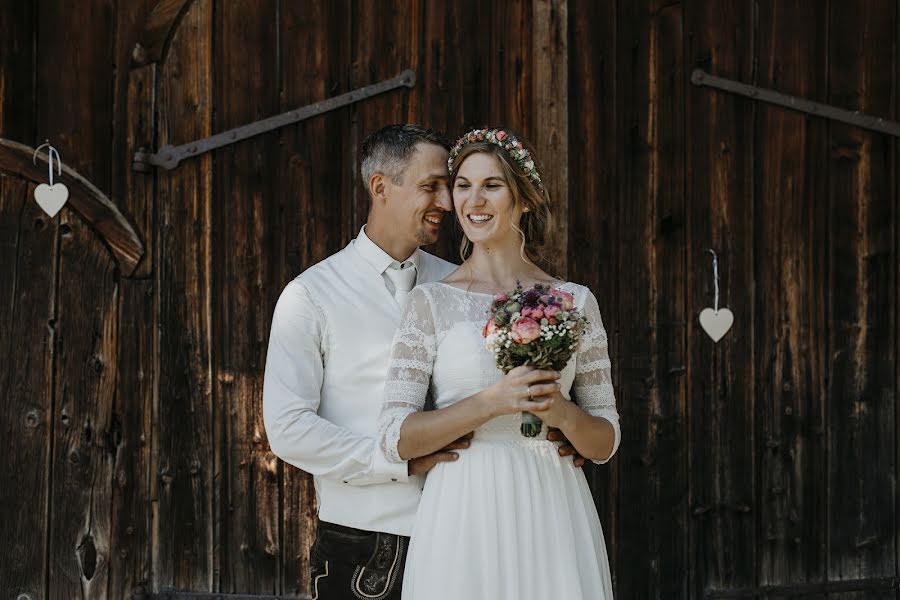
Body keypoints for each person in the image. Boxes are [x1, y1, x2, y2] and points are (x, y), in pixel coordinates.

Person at [262, 124, 586, 600]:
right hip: (369, 540)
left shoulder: (461, 285)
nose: (446, 202)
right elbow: (288, 428)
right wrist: (397, 461)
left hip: (475, 536)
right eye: (431, 185)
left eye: (447, 186)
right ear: (380, 188)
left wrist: (562, 431)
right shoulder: (311, 295)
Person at [377, 127, 620, 599]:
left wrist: (563, 414)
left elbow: (605, 440)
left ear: (523, 199)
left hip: (552, 504)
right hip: (463, 511)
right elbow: (394, 438)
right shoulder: (429, 303)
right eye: (463, 185)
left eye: (492, 185)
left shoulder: (575, 301)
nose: (473, 199)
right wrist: (490, 403)